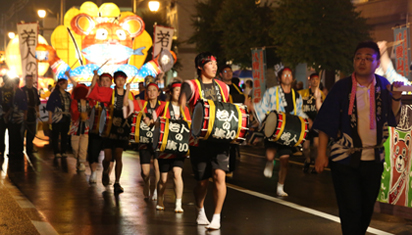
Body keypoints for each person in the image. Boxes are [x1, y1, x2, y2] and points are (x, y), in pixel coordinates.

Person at [314, 41, 402, 235]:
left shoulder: (383, 85)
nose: (362, 61)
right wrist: (321, 154)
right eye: (358, 57)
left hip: (373, 160)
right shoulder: (341, 87)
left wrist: (395, 97)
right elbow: (326, 122)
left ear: (377, 62)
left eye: (368, 58)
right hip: (345, 159)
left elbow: (391, 117)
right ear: (353, 61)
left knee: (366, 208)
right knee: (351, 209)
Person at [179, 52, 230, 230]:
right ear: (200, 67)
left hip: (220, 139)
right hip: (198, 141)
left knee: (219, 175)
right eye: (210, 63)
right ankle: (199, 209)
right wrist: (180, 109)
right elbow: (182, 102)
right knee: (202, 182)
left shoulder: (224, 88)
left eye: (216, 64)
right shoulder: (191, 85)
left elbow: (229, 111)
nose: (215, 67)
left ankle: (216, 217)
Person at [246, 67, 308, 197]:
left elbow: (298, 112)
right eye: (284, 75)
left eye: (289, 74)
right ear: (279, 78)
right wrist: (253, 107)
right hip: (273, 128)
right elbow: (263, 107)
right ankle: (269, 162)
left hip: (287, 131)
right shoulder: (271, 92)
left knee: (285, 161)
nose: (287, 76)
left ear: (292, 78)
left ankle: (280, 187)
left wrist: (307, 120)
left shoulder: (296, 95)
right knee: (270, 155)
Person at [153, 81, 191, 212]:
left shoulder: (185, 109)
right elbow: (153, 122)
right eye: (176, 90)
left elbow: (189, 126)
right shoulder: (163, 106)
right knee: (163, 179)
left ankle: (178, 204)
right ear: (170, 92)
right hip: (165, 147)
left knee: (177, 174)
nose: (179, 93)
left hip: (179, 148)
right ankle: (160, 198)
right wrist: (152, 122)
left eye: (181, 91)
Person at [101, 71, 133, 193]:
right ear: (114, 80)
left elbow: (126, 105)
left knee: (119, 156)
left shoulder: (128, 94)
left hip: (122, 127)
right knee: (108, 157)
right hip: (110, 126)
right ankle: (105, 171)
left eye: (122, 79)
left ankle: (117, 182)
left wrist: (128, 91)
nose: (120, 82)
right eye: (118, 79)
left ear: (125, 81)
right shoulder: (111, 92)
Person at [133, 82, 163, 200]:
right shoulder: (141, 104)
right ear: (146, 93)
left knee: (157, 167)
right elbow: (126, 105)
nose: (151, 93)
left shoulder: (163, 105)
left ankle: (156, 190)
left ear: (158, 93)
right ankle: (146, 182)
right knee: (145, 172)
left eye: (154, 90)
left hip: (157, 141)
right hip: (144, 140)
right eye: (149, 90)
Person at [86, 71, 113, 183]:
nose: (105, 82)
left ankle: (106, 173)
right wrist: (95, 76)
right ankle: (93, 173)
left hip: (109, 126)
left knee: (110, 154)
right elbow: (92, 87)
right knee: (93, 151)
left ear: (111, 82)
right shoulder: (96, 90)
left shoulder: (114, 93)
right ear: (99, 81)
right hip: (96, 125)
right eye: (103, 80)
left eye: (107, 80)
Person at [219, 65, 246, 175]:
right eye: (226, 71)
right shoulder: (218, 87)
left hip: (235, 119)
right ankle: (220, 167)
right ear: (221, 74)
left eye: (230, 71)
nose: (229, 73)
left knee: (233, 145)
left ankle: (230, 169)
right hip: (222, 118)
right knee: (221, 145)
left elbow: (244, 100)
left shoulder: (236, 88)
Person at [298, 73, 325, 173]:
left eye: (316, 79)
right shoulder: (302, 93)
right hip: (305, 122)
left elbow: (324, 109)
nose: (314, 81)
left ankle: (315, 162)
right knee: (305, 147)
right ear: (310, 81)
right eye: (312, 79)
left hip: (317, 122)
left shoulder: (321, 94)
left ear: (319, 81)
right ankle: (308, 159)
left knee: (317, 145)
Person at [66, 71, 91, 172]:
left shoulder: (90, 102)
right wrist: (80, 115)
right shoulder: (75, 102)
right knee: (75, 145)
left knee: (84, 145)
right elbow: (73, 111)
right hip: (76, 125)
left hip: (86, 126)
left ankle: (81, 162)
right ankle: (78, 159)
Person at [46, 78, 71, 158]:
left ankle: (63, 151)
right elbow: (50, 106)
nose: (66, 85)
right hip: (57, 116)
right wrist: (50, 117)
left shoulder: (68, 94)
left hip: (66, 116)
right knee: (55, 134)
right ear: (60, 84)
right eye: (65, 83)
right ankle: (56, 151)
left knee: (64, 134)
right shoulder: (54, 94)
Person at [21, 75, 40, 155]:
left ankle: (30, 147)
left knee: (32, 131)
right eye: (28, 80)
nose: (29, 82)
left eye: (30, 80)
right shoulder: (22, 90)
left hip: (32, 112)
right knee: (22, 131)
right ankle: (20, 148)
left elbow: (37, 102)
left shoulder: (34, 90)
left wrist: (38, 111)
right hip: (23, 112)